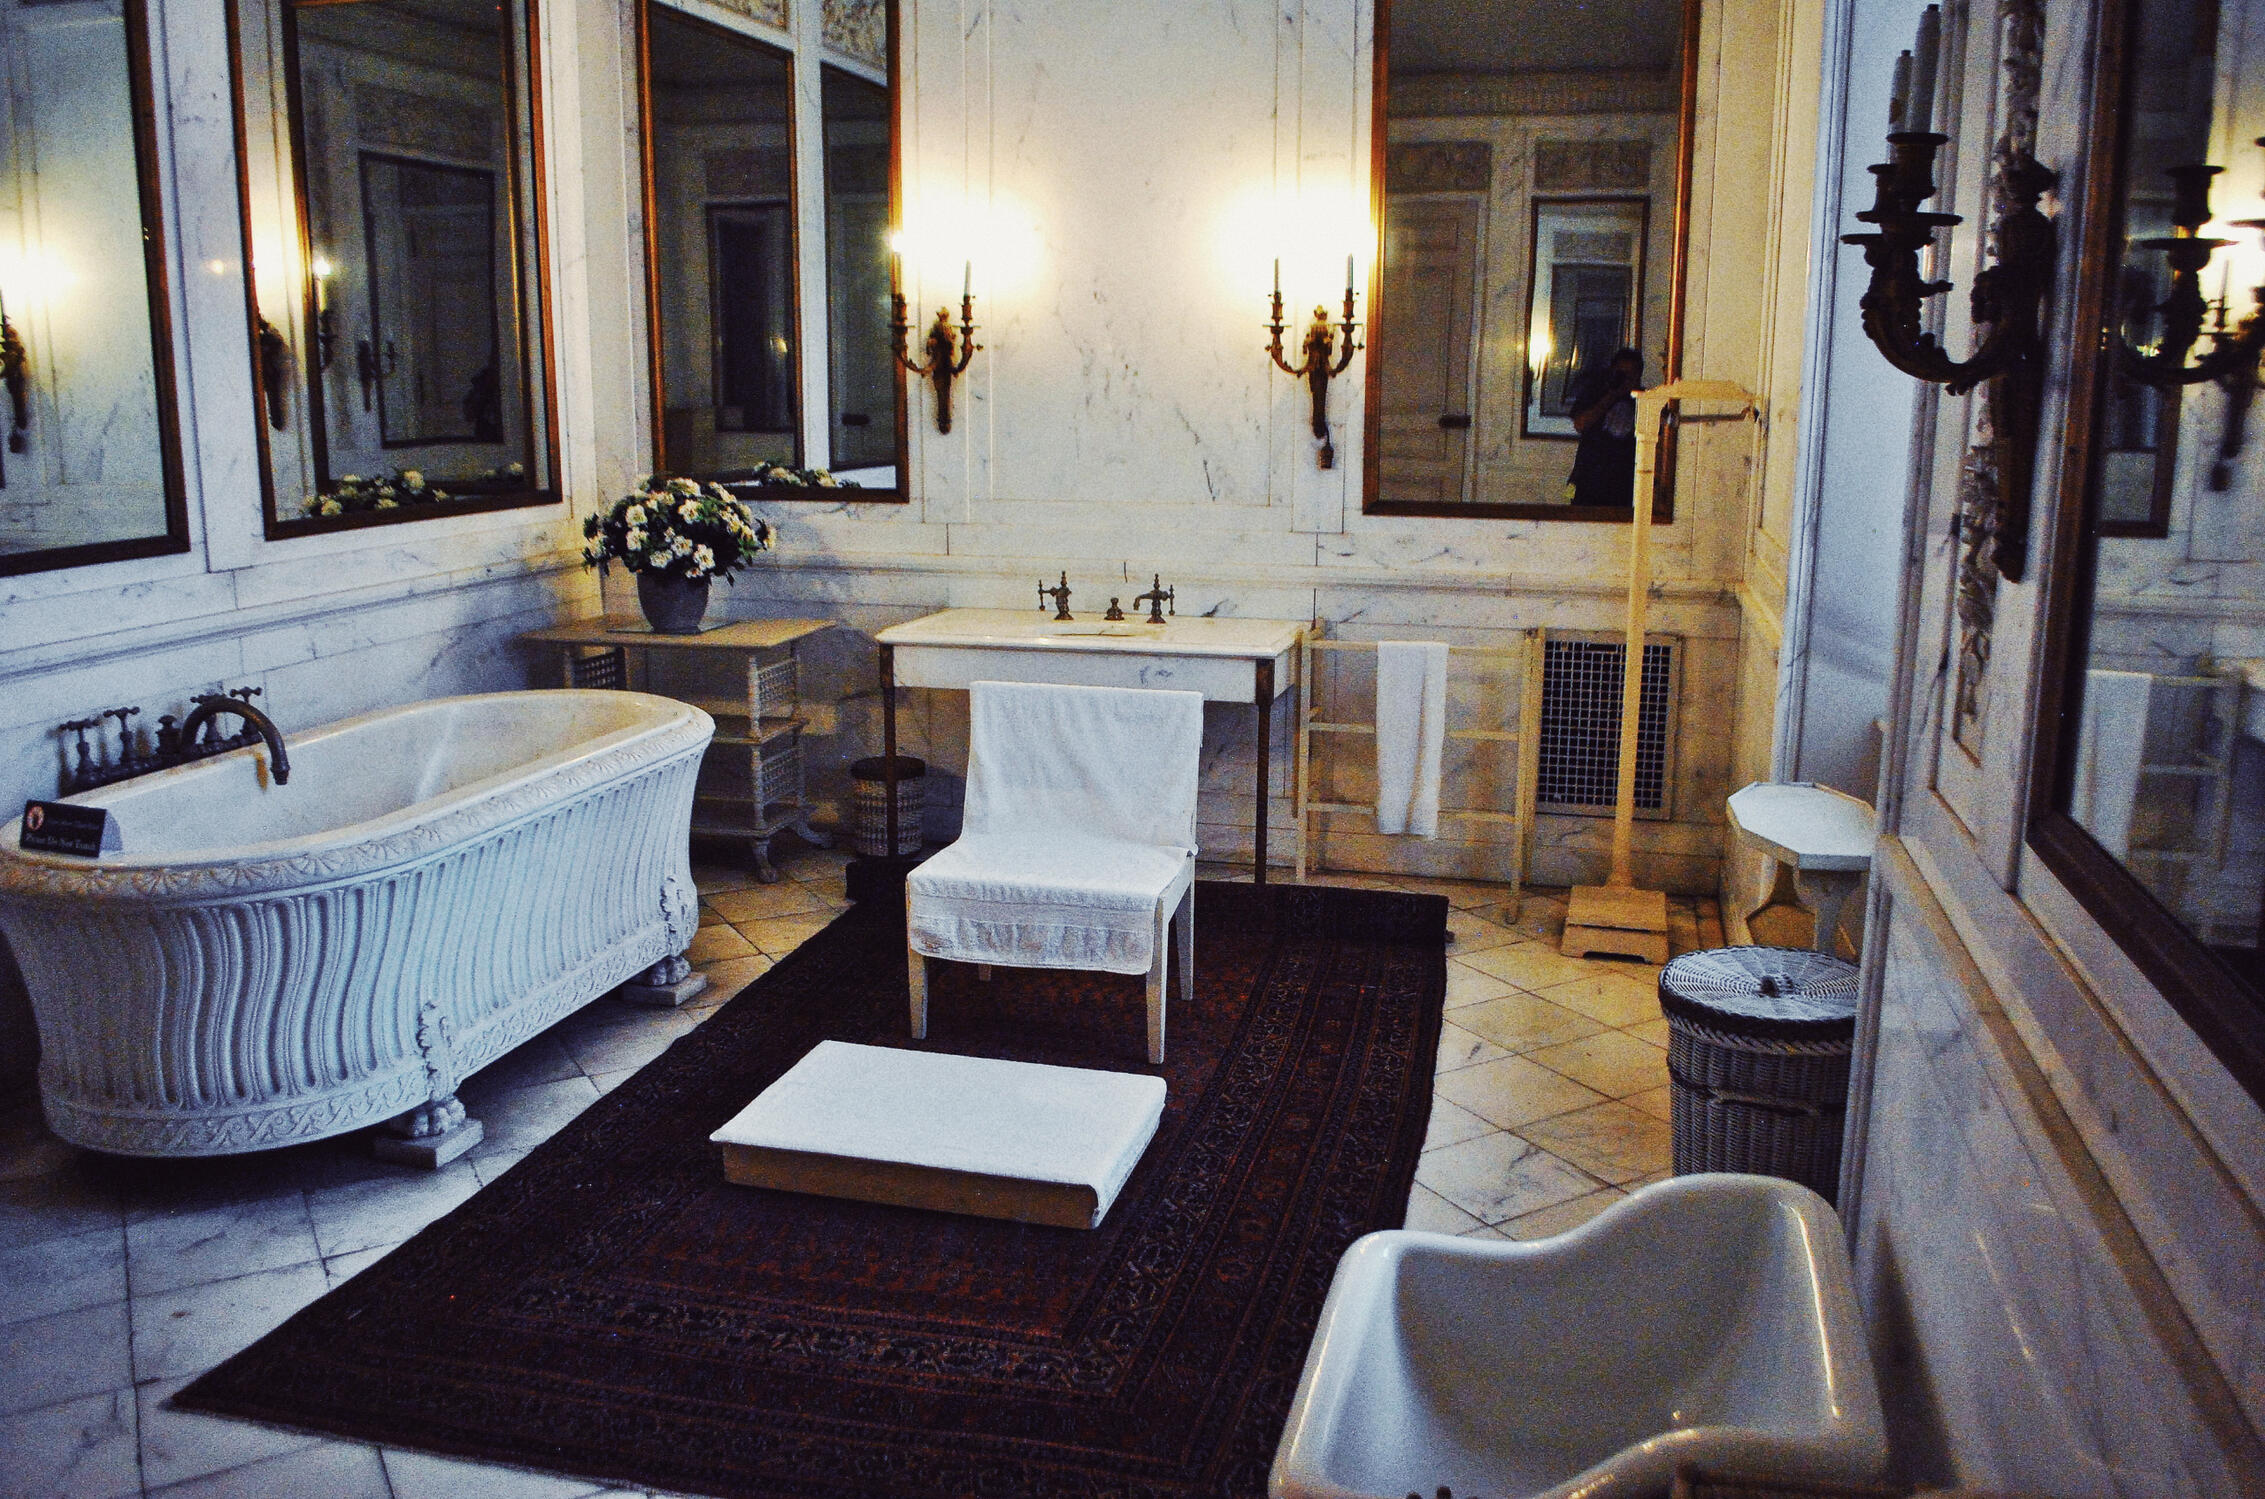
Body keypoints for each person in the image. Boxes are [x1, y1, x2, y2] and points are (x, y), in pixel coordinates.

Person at [1564, 347, 1644, 508]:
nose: (1626, 379)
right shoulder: (1595, 393)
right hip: (1588, 482)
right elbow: (1580, 424)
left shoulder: (1647, 401)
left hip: (1625, 486)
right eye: (1622, 373)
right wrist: (1612, 394)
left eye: (1631, 374)